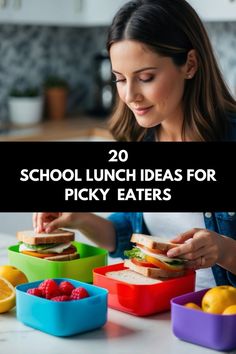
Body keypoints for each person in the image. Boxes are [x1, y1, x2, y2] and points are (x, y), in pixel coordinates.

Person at [33, 0, 236, 289]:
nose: (130, 95)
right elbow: (129, 233)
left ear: (190, 64)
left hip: (219, 317)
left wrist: (225, 250)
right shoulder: (141, 138)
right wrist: (79, 218)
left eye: (145, 77)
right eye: (119, 79)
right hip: (155, 313)